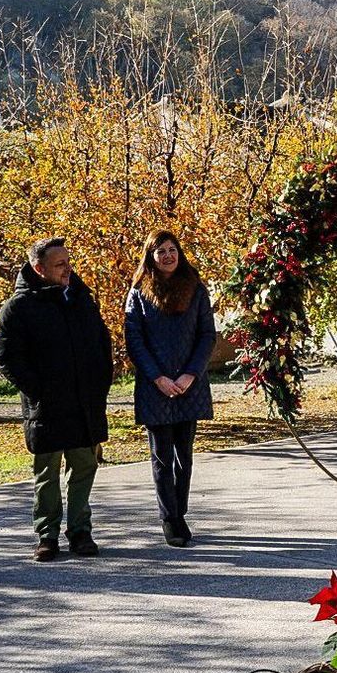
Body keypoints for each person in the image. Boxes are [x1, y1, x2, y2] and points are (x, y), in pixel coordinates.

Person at [0, 237, 114, 562]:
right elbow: (7, 358)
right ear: (39, 268)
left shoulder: (82, 299)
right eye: (60, 264)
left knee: (84, 466)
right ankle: (46, 535)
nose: (67, 269)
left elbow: (102, 346)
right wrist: (40, 390)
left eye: (68, 262)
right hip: (46, 407)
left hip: (84, 404)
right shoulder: (19, 307)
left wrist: (99, 385)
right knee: (47, 473)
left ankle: (80, 531)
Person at [124, 230, 216, 548]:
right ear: (150, 257)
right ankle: (169, 518)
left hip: (189, 385)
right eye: (160, 251)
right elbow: (134, 341)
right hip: (156, 388)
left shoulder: (196, 289)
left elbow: (207, 335)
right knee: (161, 457)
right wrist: (158, 378)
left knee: (184, 457)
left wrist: (190, 374)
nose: (167, 255)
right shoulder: (139, 293)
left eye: (172, 249)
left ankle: (180, 512)